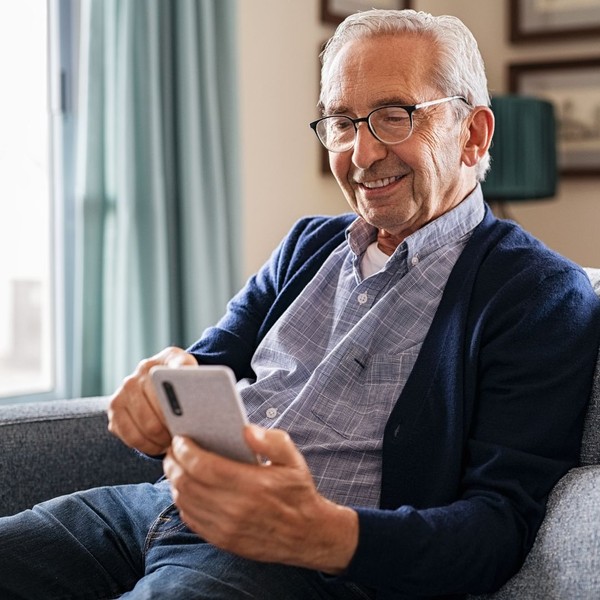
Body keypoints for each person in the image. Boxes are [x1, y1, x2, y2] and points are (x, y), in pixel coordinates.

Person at [2, 8, 599, 600]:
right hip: (154, 511)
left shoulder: (539, 295)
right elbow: (204, 370)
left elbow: (498, 528)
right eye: (342, 122)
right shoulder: (308, 245)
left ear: (472, 135)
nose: (361, 154)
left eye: (394, 116)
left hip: (298, 568)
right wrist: (161, 390)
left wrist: (318, 535)